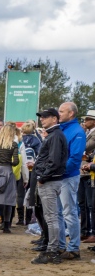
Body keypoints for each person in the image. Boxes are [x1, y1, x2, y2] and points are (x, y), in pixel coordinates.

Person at [32, 108, 69, 264]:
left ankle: (52, 251)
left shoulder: (55, 135)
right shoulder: (55, 134)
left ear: (54, 119)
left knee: (51, 217)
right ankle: (53, 248)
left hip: (50, 180)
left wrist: (42, 177)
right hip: (51, 179)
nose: (42, 119)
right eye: (41, 117)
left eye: (45, 117)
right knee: (52, 216)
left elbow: (54, 161)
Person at [56, 102, 86, 259]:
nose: (58, 113)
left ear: (71, 113)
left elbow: (75, 158)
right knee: (59, 213)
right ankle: (61, 245)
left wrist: (58, 172)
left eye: (61, 111)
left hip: (68, 177)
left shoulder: (77, 132)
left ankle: (74, 247)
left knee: (69, 212)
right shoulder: (64, 129)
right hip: (60, 176)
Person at [80, 112, 95, 244]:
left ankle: (89, 232)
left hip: (89, 173)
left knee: (90, 205)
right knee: (83, 204)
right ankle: (85, 231)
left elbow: (84, 147)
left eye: (88, 119)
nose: (85, 121)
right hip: (83, 171)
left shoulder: (93, 134)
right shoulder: (87, 133)